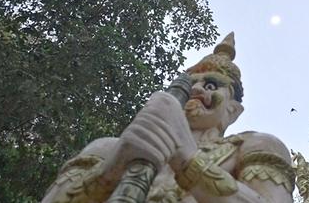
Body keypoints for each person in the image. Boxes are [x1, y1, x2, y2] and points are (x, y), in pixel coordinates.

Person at [41, 33, 295, 203]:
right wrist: (111, 169)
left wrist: (189, 161)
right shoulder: (108, 149)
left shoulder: (254, 146)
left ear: (232, 110)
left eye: (211, 85)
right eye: (191, 84)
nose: (196, 90)